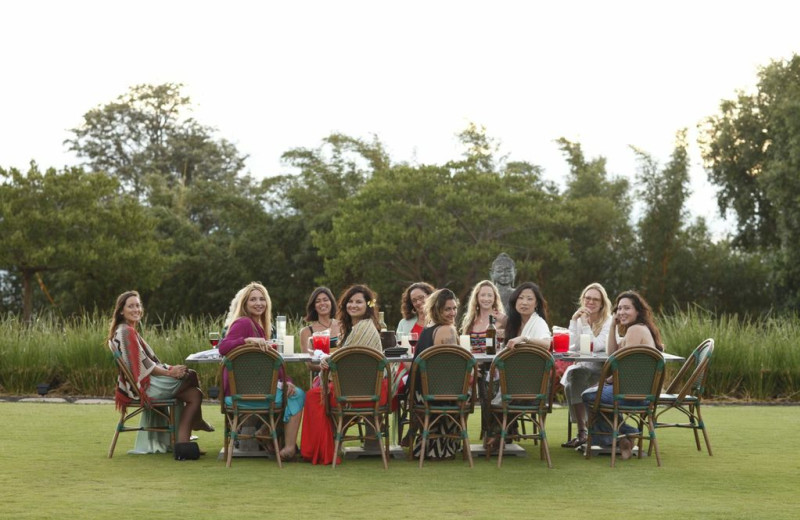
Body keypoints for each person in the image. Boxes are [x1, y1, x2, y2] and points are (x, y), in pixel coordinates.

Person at [108, 290, 213, 455]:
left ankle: (183, 445)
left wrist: (170, 369)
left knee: (195, 395)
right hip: (145, 388)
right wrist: (170, 373)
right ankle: (197, 421)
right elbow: (142, 368)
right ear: (121, 310)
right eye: (131, 306)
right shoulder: (125, 332)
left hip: (148, 383)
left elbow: (146, 362)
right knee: (190, 374)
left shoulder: (127, 330)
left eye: (138, 305)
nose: (136, 309)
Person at [218, 282, 305, 461]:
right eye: (253, 299)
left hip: (251, 389)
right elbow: (223, 347)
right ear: (245, 304)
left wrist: (286, 380)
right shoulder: (243, 323)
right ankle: (287, 447)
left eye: (262, 299)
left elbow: (269, 365)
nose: (258, 303)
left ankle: (267, 431)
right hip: (244, 393)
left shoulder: (260, 326)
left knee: (291, 389)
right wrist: (246, 340)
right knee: (298, 395)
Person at [300, 284, 384, 464]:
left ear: (367, 305)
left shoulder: (363, 328)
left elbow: (344, 361)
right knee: (316, 393)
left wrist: (328, 362)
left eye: (359, 302)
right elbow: (345, 358)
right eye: (350, 302)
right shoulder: (357, 327)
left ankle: (320, 452)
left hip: (363, 391)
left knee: (314, 396)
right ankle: (324, 448)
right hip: (365, 388)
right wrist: (330, 361)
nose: (353, 305)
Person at [581, 290, 664, 459]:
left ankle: (623, 435)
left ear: (638, 311)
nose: (621, 312)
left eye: (627, 308)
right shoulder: (636, 329)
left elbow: (627, 366)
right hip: (639, 391)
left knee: (589, 395)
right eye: (619, 309)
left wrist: (607, 380)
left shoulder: (635, 330)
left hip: (633, 393)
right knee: (595, 394)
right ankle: (622, 438)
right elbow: (612, 352)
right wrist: (612, 325)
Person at [410, 288, 462, 459]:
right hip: (436, 393)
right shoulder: (448, 330)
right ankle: (450, 443)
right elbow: (448, 369)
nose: (452, 313)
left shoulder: (426, 329)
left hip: (418, 393)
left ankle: (435, 441)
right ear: (437, 310)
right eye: (447, 309)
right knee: (477, 392)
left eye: (454, 308)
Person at [560, 283, 613, 448]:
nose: (591, 302)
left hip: (602, 371)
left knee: (572, 379)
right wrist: (573, 320)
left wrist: (584, 324)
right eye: (587, 298)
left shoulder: (609, 321)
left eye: (595, 299)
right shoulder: (580, 317)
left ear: (602, 303)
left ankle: (583, 431)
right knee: (573, 376)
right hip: (583, 368)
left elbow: (594, 346)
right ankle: (583, 430)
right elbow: (572, 346)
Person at [460, 279, 507, 352]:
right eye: (482, 295)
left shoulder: (501, 319)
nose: (486, 298)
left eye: (490, 295)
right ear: (477, 298)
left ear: (494, 298)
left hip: (493, 362)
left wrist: (505, 319)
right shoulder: (470, 320)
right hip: (474, 362)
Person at [504, 282, 552, 349]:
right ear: (515, 301)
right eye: (521, 298)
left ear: (536, 304)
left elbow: (547, 344)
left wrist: (524, 338)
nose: (524, 303)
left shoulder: (539, 322)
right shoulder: (514, 322)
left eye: (529, 299)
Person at [299, 287, 341, 353]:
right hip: (319, 363)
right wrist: (321, 363)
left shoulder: (342, 325)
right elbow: (308, 361)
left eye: (325, 300)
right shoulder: (306, 332)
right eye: (318, 301)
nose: (322, 303)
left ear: (331, 303)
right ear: (314, 306)